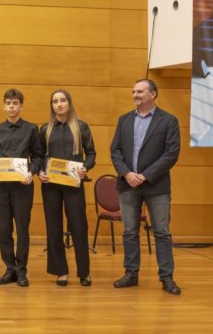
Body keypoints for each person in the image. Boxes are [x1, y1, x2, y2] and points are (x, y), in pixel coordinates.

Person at [110, 79, 182, 295]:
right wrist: (127, 173)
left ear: (153, 94)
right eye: (133, 91)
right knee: (130, 232)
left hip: (157, 186)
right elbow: (115, 150)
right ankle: (131, 274)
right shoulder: (124, 120)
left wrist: (145, 175)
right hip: (128, 184)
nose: (135, 95)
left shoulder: (169, 121)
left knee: (161, 232)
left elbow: (171, 154)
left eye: (140, 91)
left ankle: (167, 277)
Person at [38, 89, 95, 287]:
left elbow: (92, 155)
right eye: (55, 101)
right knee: (53, 228)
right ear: (51, 105)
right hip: (50, 186)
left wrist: (85, 168)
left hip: (74, 185)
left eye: (63, 100)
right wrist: (40, 172)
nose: (59, 104)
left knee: (79, 227)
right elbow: (39, 156)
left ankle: (84, 272)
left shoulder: (81, 127)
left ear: (69, 103)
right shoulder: (45, 129)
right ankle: (60, 271)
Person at [0, 89, 43, 287]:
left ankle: (22, 270)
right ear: (4, 106)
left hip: (23, 186)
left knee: (22, 229)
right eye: (8, 103)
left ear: (21, 106)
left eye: (15, 103)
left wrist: (32, 171)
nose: (11, 107)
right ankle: (9, 268)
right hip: (1, 186)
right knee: (4, 229)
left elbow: (38, 156)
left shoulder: (31, 129)